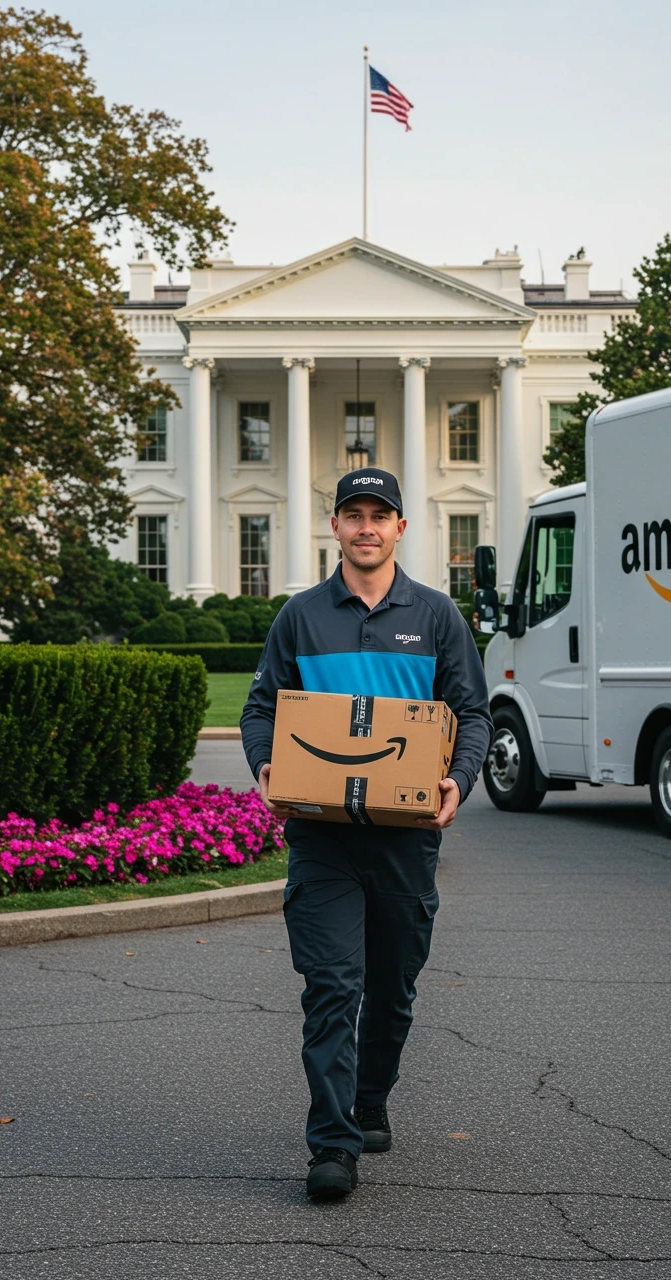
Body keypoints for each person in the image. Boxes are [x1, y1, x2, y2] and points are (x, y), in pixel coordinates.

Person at [240, 466, 492, 1200]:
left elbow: (470, 713)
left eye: (380, 515)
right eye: (354, 514)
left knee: (392, 989)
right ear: (337, 527)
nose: (366, 527)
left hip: (406, 839)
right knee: (330, 987)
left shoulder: (438, 616)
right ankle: (333, 1144)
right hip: (322, 837)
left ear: (401, 528)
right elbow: (262, 709)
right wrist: (265, 767)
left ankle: (371, 1097)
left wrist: (458, 779)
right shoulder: (301, 617)